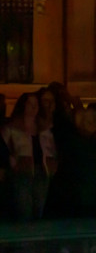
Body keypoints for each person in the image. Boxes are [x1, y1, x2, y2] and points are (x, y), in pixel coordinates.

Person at [1, 92, 57, 222]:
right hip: (22, 171)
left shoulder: (45, 128)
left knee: (39, 209)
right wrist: (12, 162)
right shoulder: (12, 128)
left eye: (35, 104)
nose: (33, 107)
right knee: (24, 209)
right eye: (30, 104)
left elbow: (52, 148)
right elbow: (4, 148)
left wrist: (53, 164)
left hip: (42, 171)